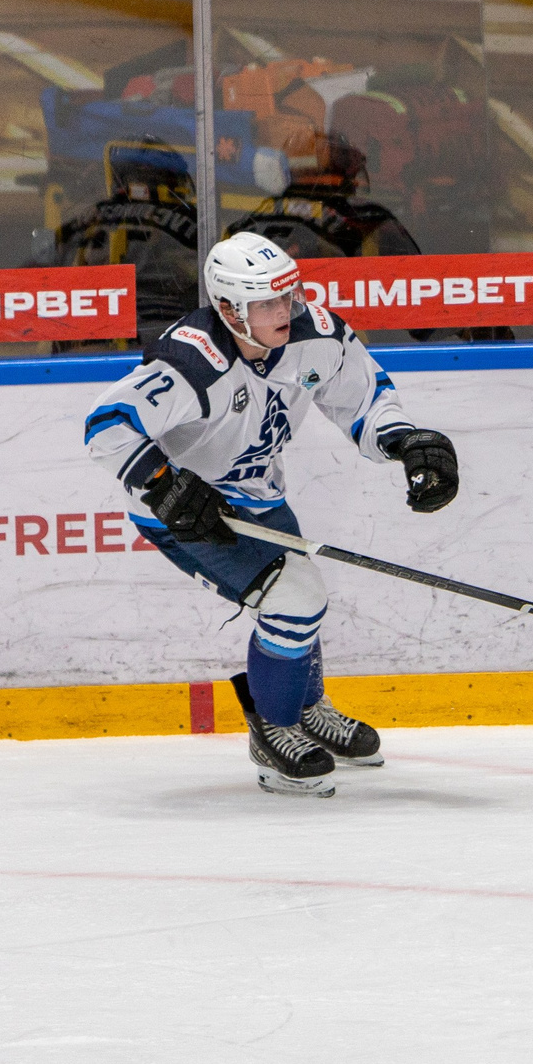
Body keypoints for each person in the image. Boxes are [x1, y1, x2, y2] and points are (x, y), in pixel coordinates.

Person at [82, 233, 460, 797]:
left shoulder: (318, 336)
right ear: (230, 309)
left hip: (257, 496)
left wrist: (406, 442)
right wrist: (163, 485)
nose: (283, 311)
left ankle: (307, 712)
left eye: (287, 296)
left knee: (302, 595)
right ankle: (273, 728)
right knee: (296, 598)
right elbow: (106, 423)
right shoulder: (193, 359)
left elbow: (365, 399)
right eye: (265, 303)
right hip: (186, 511)